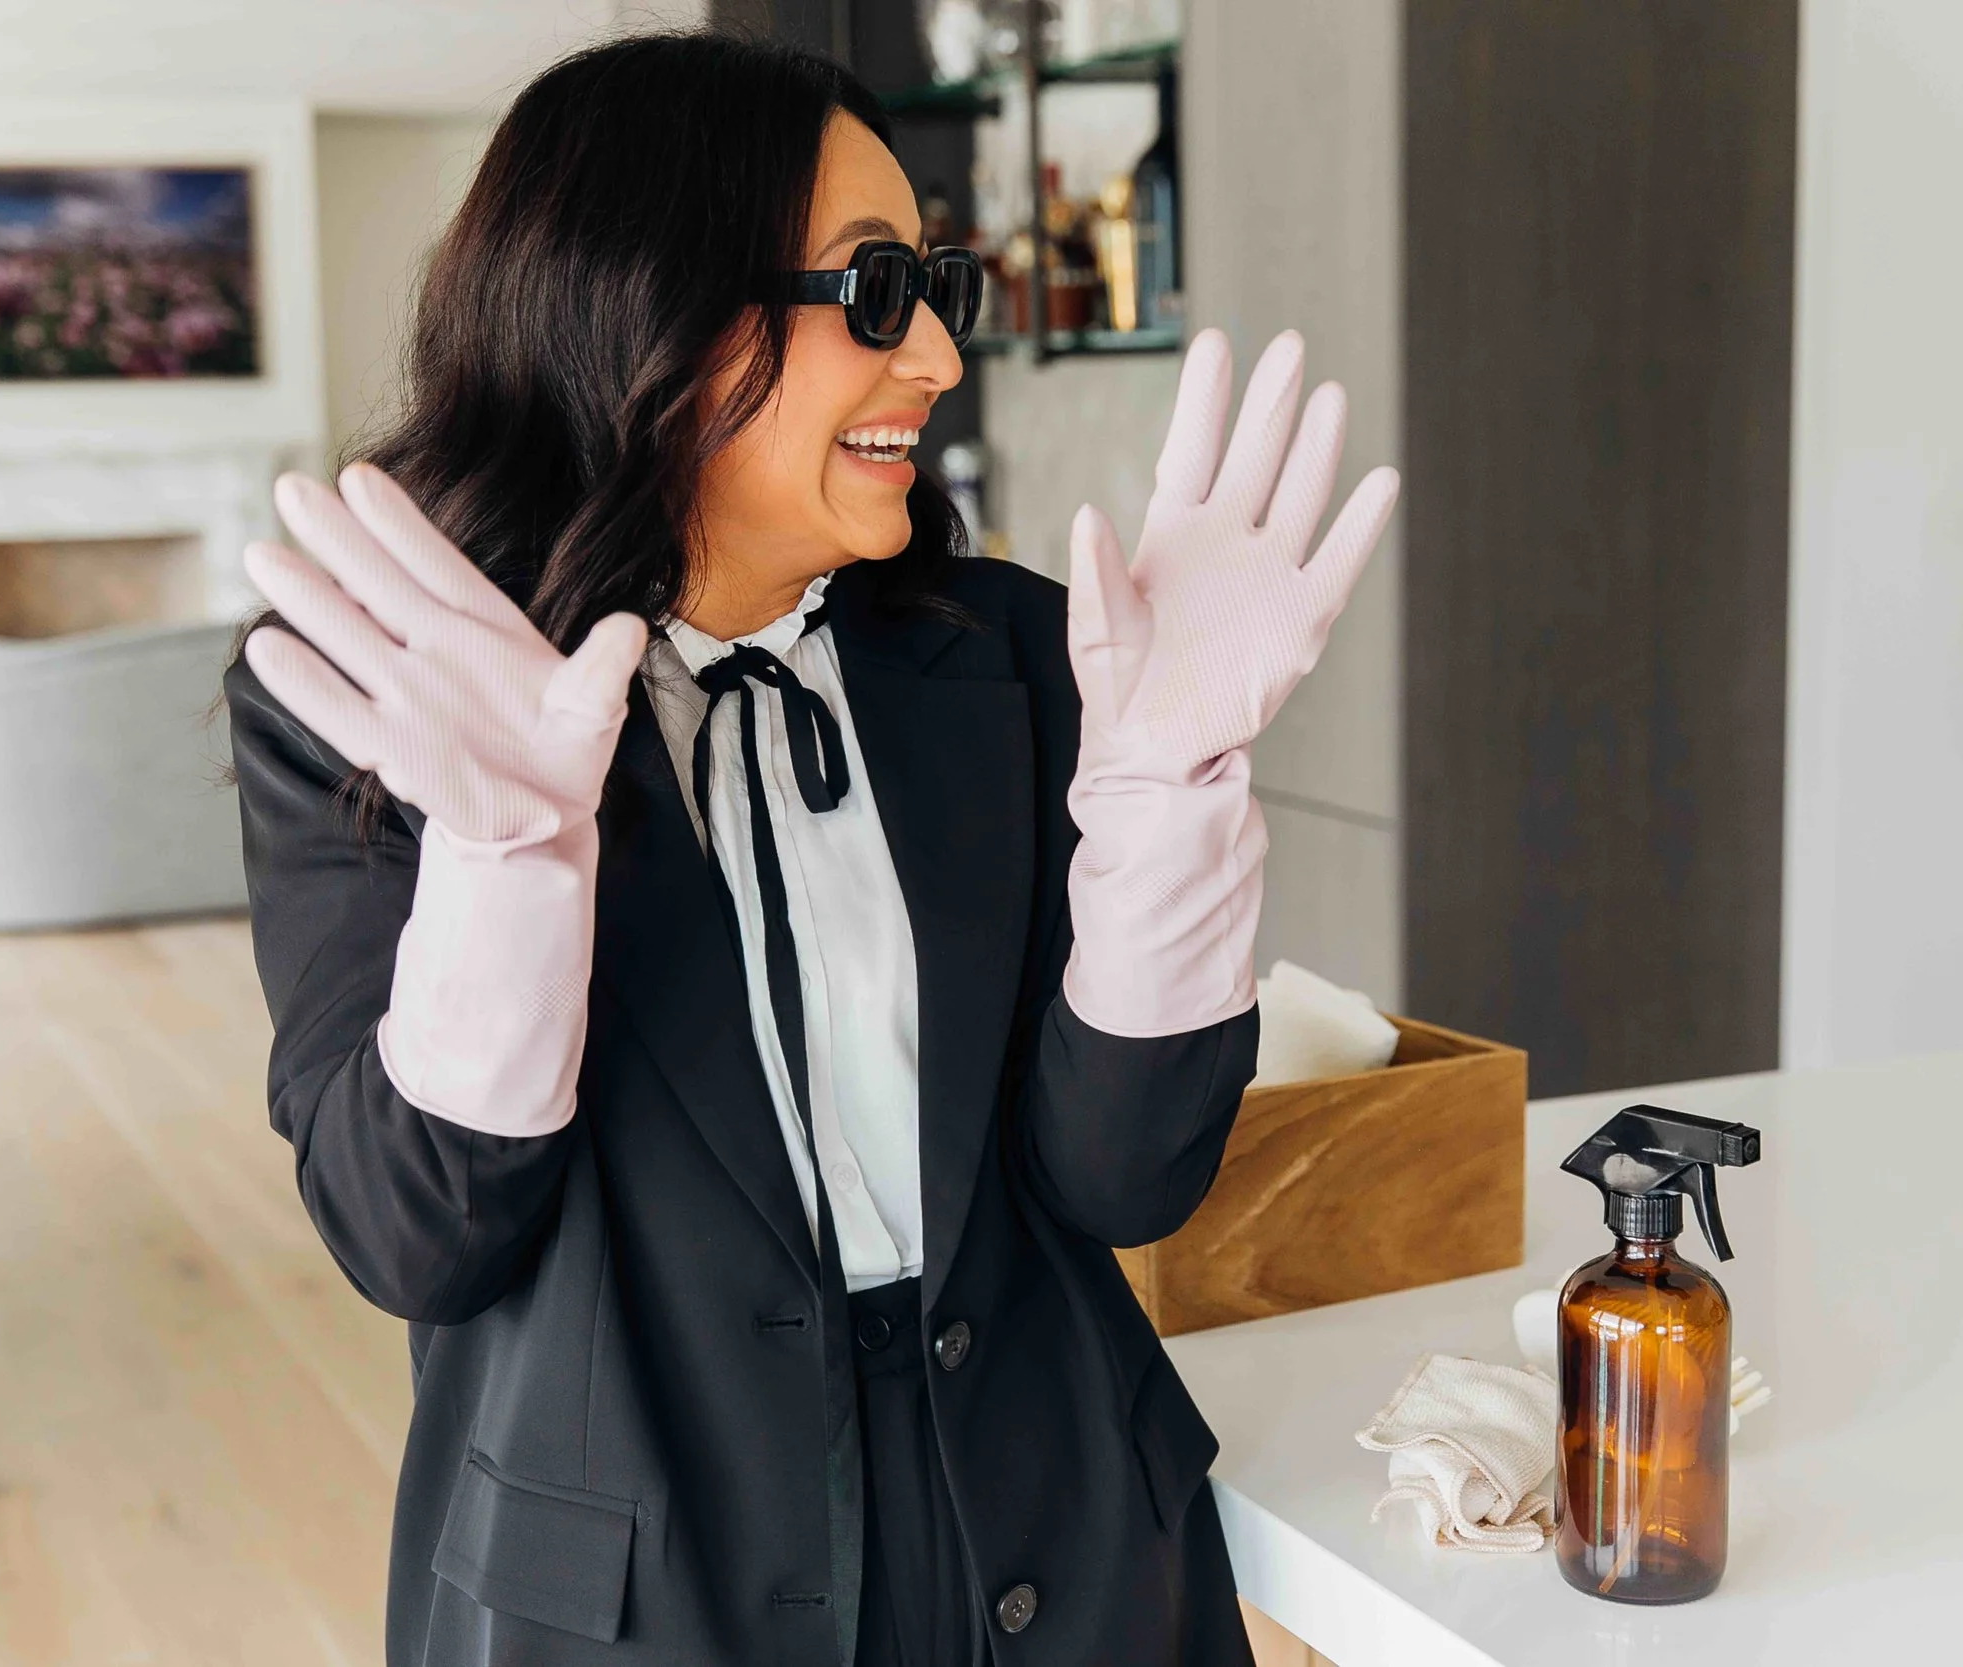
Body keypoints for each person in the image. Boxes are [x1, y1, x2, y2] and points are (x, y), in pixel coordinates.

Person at [224, 29, 1395, 1667]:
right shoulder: (390, 703)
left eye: (935, 289)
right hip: (648, 1602)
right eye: (869, 291)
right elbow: (419, 1233)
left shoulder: (1024, 658)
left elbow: (1126, 1176)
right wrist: (506, 867)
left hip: (1068, 1557)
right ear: (652, 299)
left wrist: (1173, 791)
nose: (931, 357)